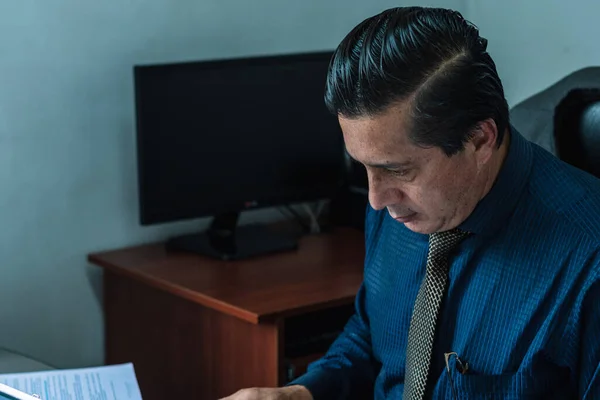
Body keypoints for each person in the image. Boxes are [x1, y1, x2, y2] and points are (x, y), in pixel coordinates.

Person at [221, 6, 600, 400]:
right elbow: (372, 338)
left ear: (479, 140)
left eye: (398, 170)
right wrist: (302, 393)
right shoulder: (399, 207)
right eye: (363, 167)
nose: (376, 198)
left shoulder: (590, 262)